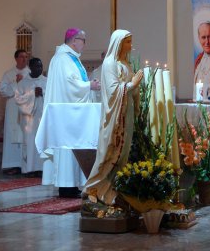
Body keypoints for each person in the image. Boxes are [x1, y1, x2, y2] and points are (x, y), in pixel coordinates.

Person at [83, 29, 143, 205]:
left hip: (127, 112)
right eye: (127, 42)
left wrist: (137, 98)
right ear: (118, 43)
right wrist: (132, 84)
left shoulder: (125, 63)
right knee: (109, 153)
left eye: (131, 41)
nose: (130, 46)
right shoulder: (110, 64)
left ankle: (112, 193)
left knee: (122, 154)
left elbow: (131, 89)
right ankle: (93, 189)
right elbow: (113, 91)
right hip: (115, 117)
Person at [42, 28, 100, 198]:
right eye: (83, 39)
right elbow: (69, 85)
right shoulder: (62, 59)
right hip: (65, 114)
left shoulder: (71, 58)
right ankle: (66, 186)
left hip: (73, 113)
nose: (84, 43)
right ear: (74, 40)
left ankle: (73, 184)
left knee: (75, 147)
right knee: (67, 149)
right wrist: (89, 86)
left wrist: (88, 84)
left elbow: (75, 82)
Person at [0, 49, 30, 174]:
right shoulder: (8, 74)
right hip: (13, 107)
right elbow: (2, 91)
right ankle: (14, 164)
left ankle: (26, 164)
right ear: (16, 58)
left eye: (26, 57)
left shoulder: (31, 72)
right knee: (12, 133)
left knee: (26, 135)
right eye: (22, 57)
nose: (24, 59)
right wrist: (15, 84)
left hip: (27, 107)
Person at [14, 58, 46, 176]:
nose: (39, 69)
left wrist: (43, 92)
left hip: (42, 118)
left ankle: (42, 169)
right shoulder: (23, 83)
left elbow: (53, 97)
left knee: (42, 142)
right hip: (29, 119)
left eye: (41, 66)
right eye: (37, 66)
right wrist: (32, 94)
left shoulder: (46, 81)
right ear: (30, 67)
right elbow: (18, 99)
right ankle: (29, 169)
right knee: (29, 142)